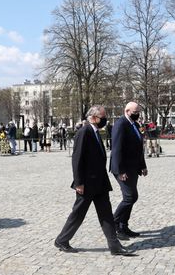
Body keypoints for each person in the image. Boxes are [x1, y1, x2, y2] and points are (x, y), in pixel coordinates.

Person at [54, 105, 133, 256]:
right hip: (87, 183)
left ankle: (114, 246)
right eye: (103, 116)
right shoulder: (84, 132)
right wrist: (78, 183)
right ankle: (62, 240)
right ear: (94, 117)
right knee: (78, 213)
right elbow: (77, 159)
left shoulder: (95, 132)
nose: (105, 119)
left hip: (100, 182)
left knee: (106, 214)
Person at [109, 101, 148, 240]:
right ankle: (114, 223)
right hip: (122, 168)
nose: (137, 114)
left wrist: (142, 165)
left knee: (131, 197)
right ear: (127, 111)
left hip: (133, 167)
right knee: (130, 197)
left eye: (138, 112)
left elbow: (139, 148)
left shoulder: (135, 125)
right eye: (135, 112)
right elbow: (117, 149)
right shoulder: (121, 124)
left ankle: (123, 226)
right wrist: (120, 171)